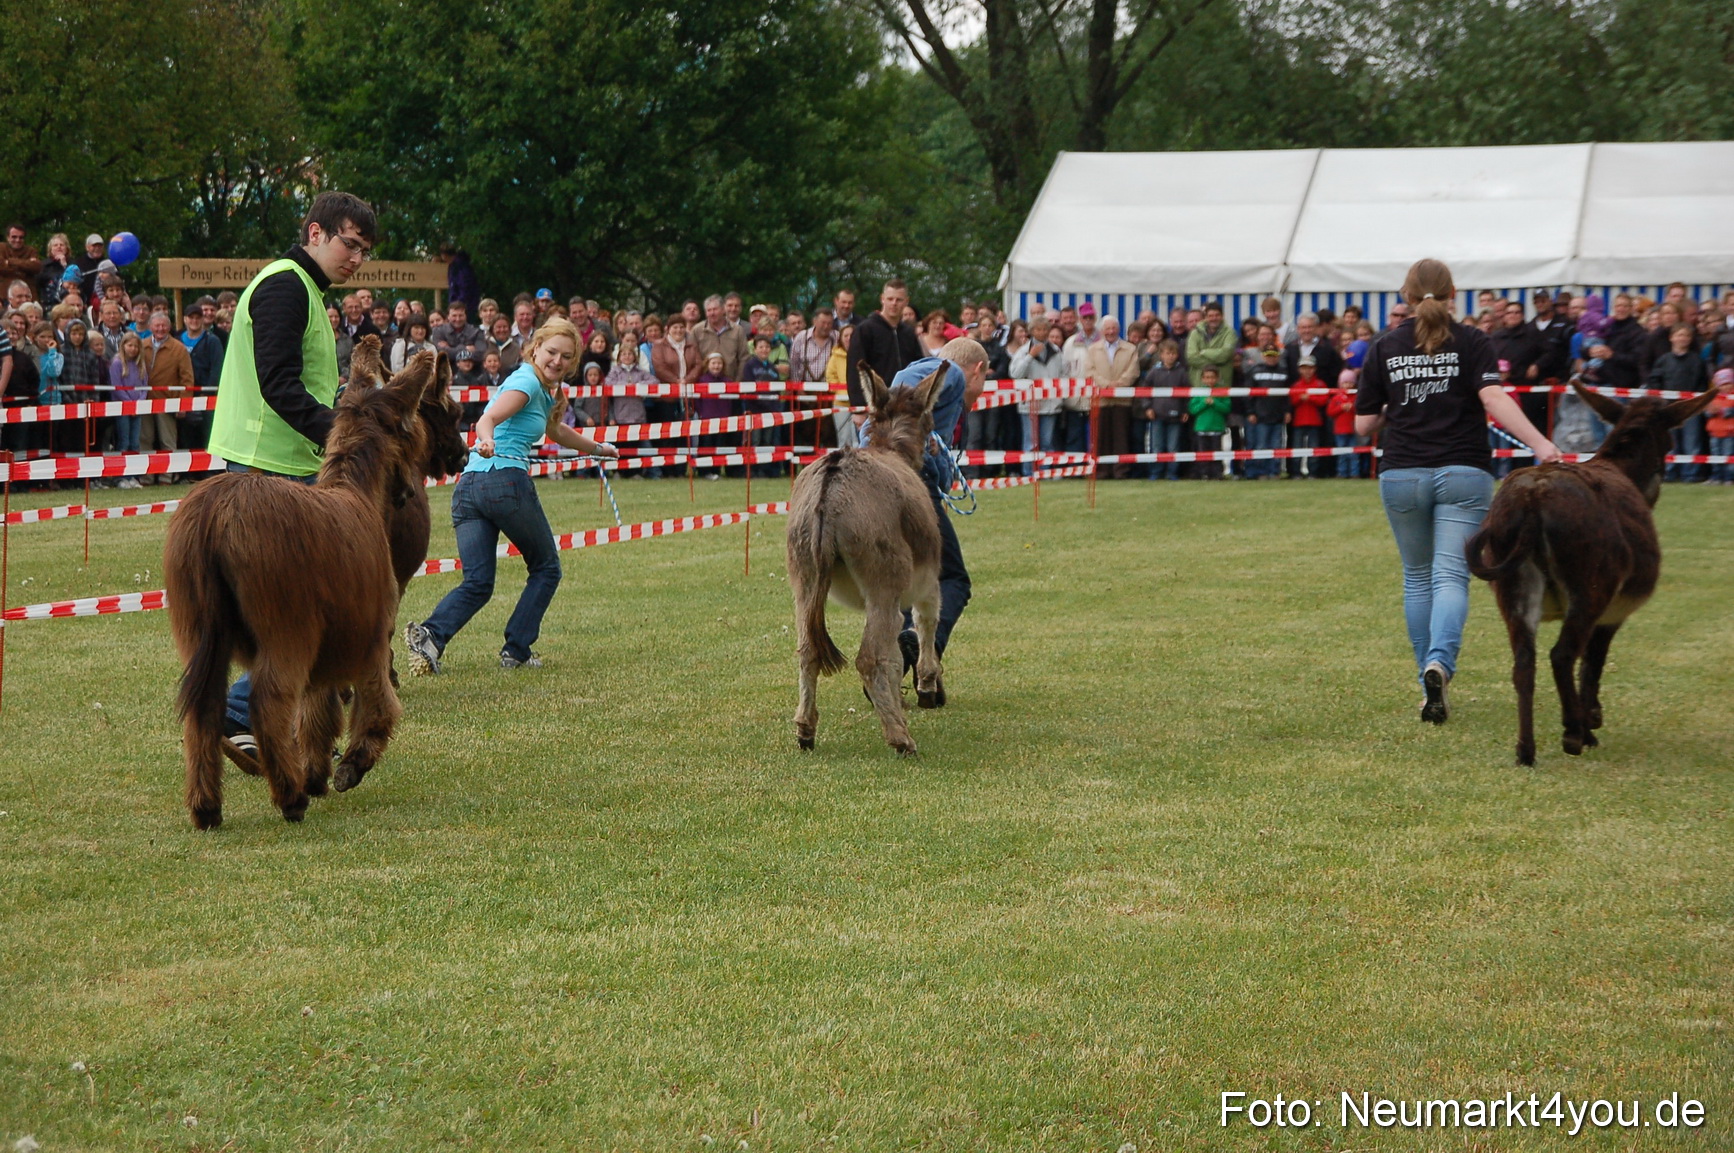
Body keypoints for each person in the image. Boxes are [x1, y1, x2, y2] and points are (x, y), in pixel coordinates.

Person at [205, 191, 378, 751]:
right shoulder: (285, 286)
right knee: (306, 611)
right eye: (349, 244)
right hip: (267, 470)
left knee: (301, 608)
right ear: (314, 233)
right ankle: (238, 714)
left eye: (364, 251)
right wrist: (345, 435)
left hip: (282, 467)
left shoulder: (304, 290)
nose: (356, 259)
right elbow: (278, 384)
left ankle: (290, 720)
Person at [1354, 258, 1560, 724]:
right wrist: (1542, 445)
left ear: (1404, 297)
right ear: (1454, 294)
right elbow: (1493, 398)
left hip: (1402, 473)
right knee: (1451, 576)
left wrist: (1396, 404)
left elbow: (1363, 423)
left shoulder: (1384, 346)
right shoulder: (1473, 341)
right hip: (1464, 471)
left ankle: (1425, 673)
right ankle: (1439, 664)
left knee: (1416, 577)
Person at [403, 316, 615, 674]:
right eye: (551, 352)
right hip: (504, 482)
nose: (557, 361)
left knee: (479, 582)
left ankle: (430, 637)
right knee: (547, 568)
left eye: (566, 356)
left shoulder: (545, 389)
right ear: (535, 349)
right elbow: (487, 419)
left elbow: (556, 430)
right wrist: (485, 439)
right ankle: (516, 649)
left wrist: (598, 447)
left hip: (469, 489)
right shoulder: (527, 380)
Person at [872, 338, 988, 675]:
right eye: (984, 380)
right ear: (977, 371)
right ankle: (923, 650)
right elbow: (897, 394)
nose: (980, 390)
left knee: (909, 576)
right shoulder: (949, 373)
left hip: (906, 484)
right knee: (954, 578)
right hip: (913, 488)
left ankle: (896, 660)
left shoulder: (945, 395)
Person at [846, 278, 923, 434]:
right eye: (890, 299)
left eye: (899, 299)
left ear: (906, 301)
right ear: (882, 299)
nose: (894, 303)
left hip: (905, 407)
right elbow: (855, 370)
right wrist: (859, 408)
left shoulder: (909, 333)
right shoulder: (865, 330)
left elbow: (919, 367)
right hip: (874, 407)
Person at [1187, 365, 1230, 479]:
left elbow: (1226, 408)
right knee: (1203, 453)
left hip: (1217, 428)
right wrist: (1204, 403)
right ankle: (1204, 473)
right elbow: (1192, 409)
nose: (1210, 380)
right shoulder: (1198, 392)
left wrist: (1214, 402)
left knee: (1217, 452)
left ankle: (1217, 473)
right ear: (1202, 379)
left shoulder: (1222, 391)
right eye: (1207, 377)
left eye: (1212, 377)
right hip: (1201, 428)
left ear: (1217, 378)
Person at [1706, 368, 1734, 485]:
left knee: (1728, 456)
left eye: (1728, 383)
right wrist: (1710, 411)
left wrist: (1723, 411)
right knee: (1715, 456)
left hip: (1729, 433)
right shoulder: (1713, 397)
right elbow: (1707, 412)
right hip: (1714, 432)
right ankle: (1716, 477)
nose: (1725, 387)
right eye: (1722, 385)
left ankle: (1729, 478)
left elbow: (1731, 411)